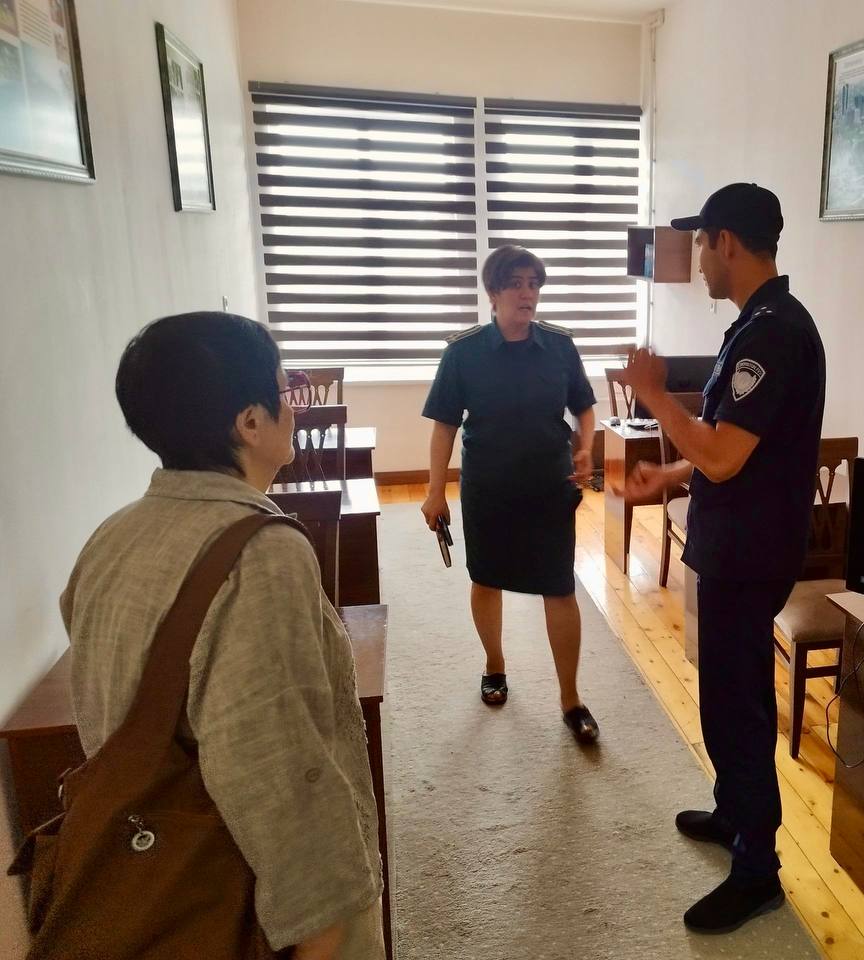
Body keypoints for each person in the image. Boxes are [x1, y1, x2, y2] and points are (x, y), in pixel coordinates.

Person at [61, 313, 383, 959]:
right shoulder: (262, 555)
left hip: (143, 858)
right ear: (250, 422)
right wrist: (323, 922)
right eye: (284, 388)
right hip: (232, 888)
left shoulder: (111, 535)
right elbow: (277, 761)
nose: (293, 405)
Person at [617, 184, 825, 933]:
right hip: (739, 543)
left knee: (737, 707)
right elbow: (733, 446)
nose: (699, 259)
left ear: (726, 242)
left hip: (749, 552)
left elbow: (725, 456)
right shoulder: (760, 324)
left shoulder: (772, 334)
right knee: (727, 694)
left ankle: (757, 869)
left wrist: (653, 395)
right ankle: (734, 812)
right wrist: (671, 474)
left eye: (702, 243)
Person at [420, 245, 601, 743]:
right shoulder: (463, 353)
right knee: (487, 579)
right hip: (489, 487)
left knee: (559, 587)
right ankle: (494, 665)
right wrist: (435, 491)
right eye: (517, 283)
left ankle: (571, 699)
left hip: (549, 486)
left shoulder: (560, 346)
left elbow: (584, 406)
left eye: (534, 284)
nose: (528, 293)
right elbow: (443, 427)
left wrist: (587, 446)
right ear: (493, 292)